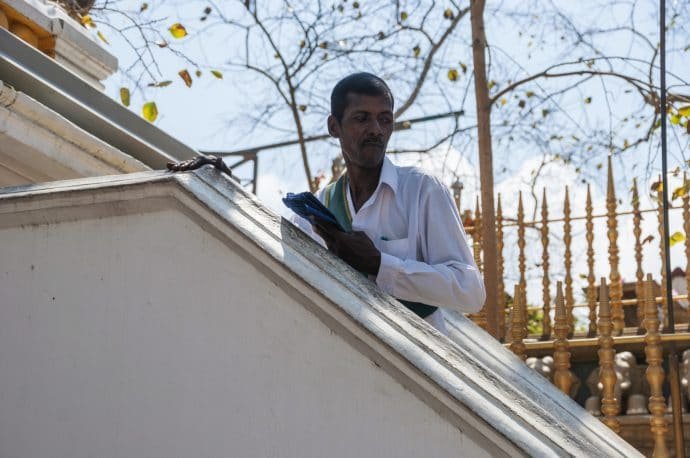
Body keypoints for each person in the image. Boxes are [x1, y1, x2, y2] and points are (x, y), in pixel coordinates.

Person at [299, 72, 485, 334]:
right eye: (361, 118)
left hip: (416, 364)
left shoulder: (422, 189)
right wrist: (228, 186)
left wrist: (380, 265)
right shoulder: (319, 208)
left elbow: (470, 292)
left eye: (384, 119)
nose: (376, 129)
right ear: (334, 127)